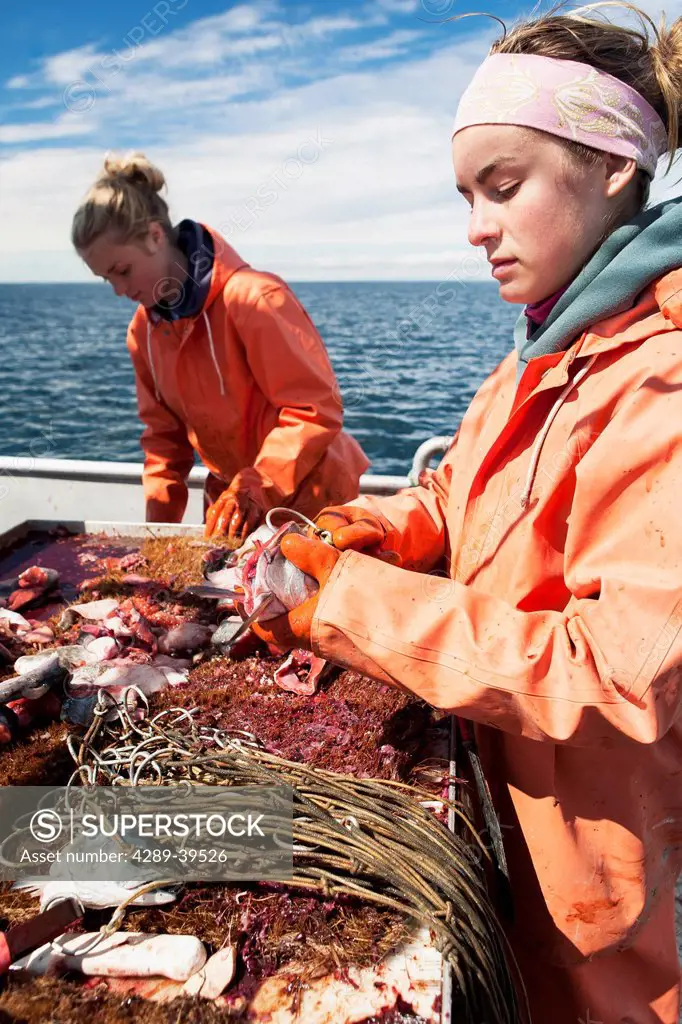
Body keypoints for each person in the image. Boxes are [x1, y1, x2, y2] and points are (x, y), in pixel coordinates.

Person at [252, 6, 682, 1022]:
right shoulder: (548, 343)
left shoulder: (660, 378)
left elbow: (617, 673)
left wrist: (351, 604)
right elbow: (461, 491)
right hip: (512, 811)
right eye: (465, 195)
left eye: (503, 187)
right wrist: (368, 533)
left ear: (615, 167)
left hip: (606, 881)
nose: (474, 228)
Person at [71, 154, 369, 541]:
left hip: (316, 503)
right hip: (233, 508)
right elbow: (164, 443)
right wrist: (156, 536)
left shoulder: (255, 298)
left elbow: (315, 410)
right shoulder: (142, 332)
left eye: (123, 271)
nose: (120, 290)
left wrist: (257, 485)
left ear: (155, 235)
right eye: (105, 279)